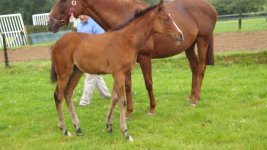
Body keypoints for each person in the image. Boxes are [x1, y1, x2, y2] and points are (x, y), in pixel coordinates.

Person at [77, 15, 111, 106]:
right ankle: (106, 94)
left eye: (83, 15)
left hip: (97, 54)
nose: (81, 17)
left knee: (90, 75)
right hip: (85, 54)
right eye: (79, 16)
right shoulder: (79, 25)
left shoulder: (95, 23)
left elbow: (103, 38)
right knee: (96, 75)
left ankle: (84, 101)